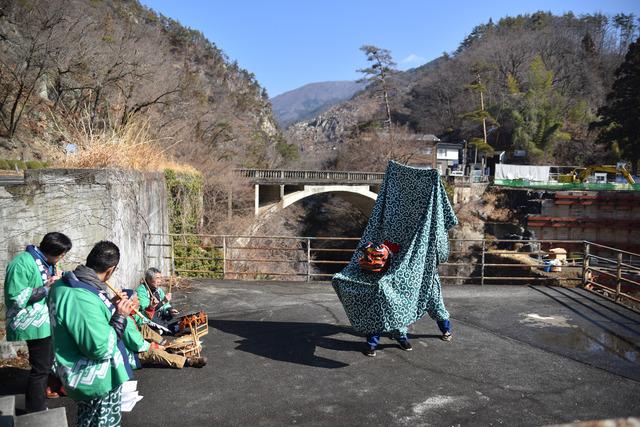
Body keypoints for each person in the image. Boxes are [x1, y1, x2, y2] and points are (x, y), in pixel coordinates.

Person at [48, 241, 135, 427]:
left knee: (87, 420)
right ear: (110, 270)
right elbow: (99, 347)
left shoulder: (65, 285)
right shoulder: (80, 296)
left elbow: (83, 322)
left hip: (78, 373)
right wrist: (120, 316)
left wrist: (108, 305)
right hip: (97, 379)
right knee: (100, 422)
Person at [3, 232, 72, 412]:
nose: (62, 258)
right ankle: (36, 409)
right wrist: (47, 287)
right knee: (40, 368)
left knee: (45, 364)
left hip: (46, 323)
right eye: (62, 254)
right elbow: (15, 298)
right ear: (53, 251)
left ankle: (43, 397)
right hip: (32, 323)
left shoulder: (48, 263)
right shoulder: (21, 263)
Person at [121, 289, 207, 369]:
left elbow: (143, 320)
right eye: (137, 300)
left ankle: (166, 345)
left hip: (136, 340)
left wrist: (151, 307)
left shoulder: (131, 313)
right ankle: (187, 361)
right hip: (131, 354)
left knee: (144, 327)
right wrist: (156, 347)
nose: (139, 302)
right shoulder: (126, 322)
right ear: (130, 303)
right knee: (154, 352)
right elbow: (138, 345)